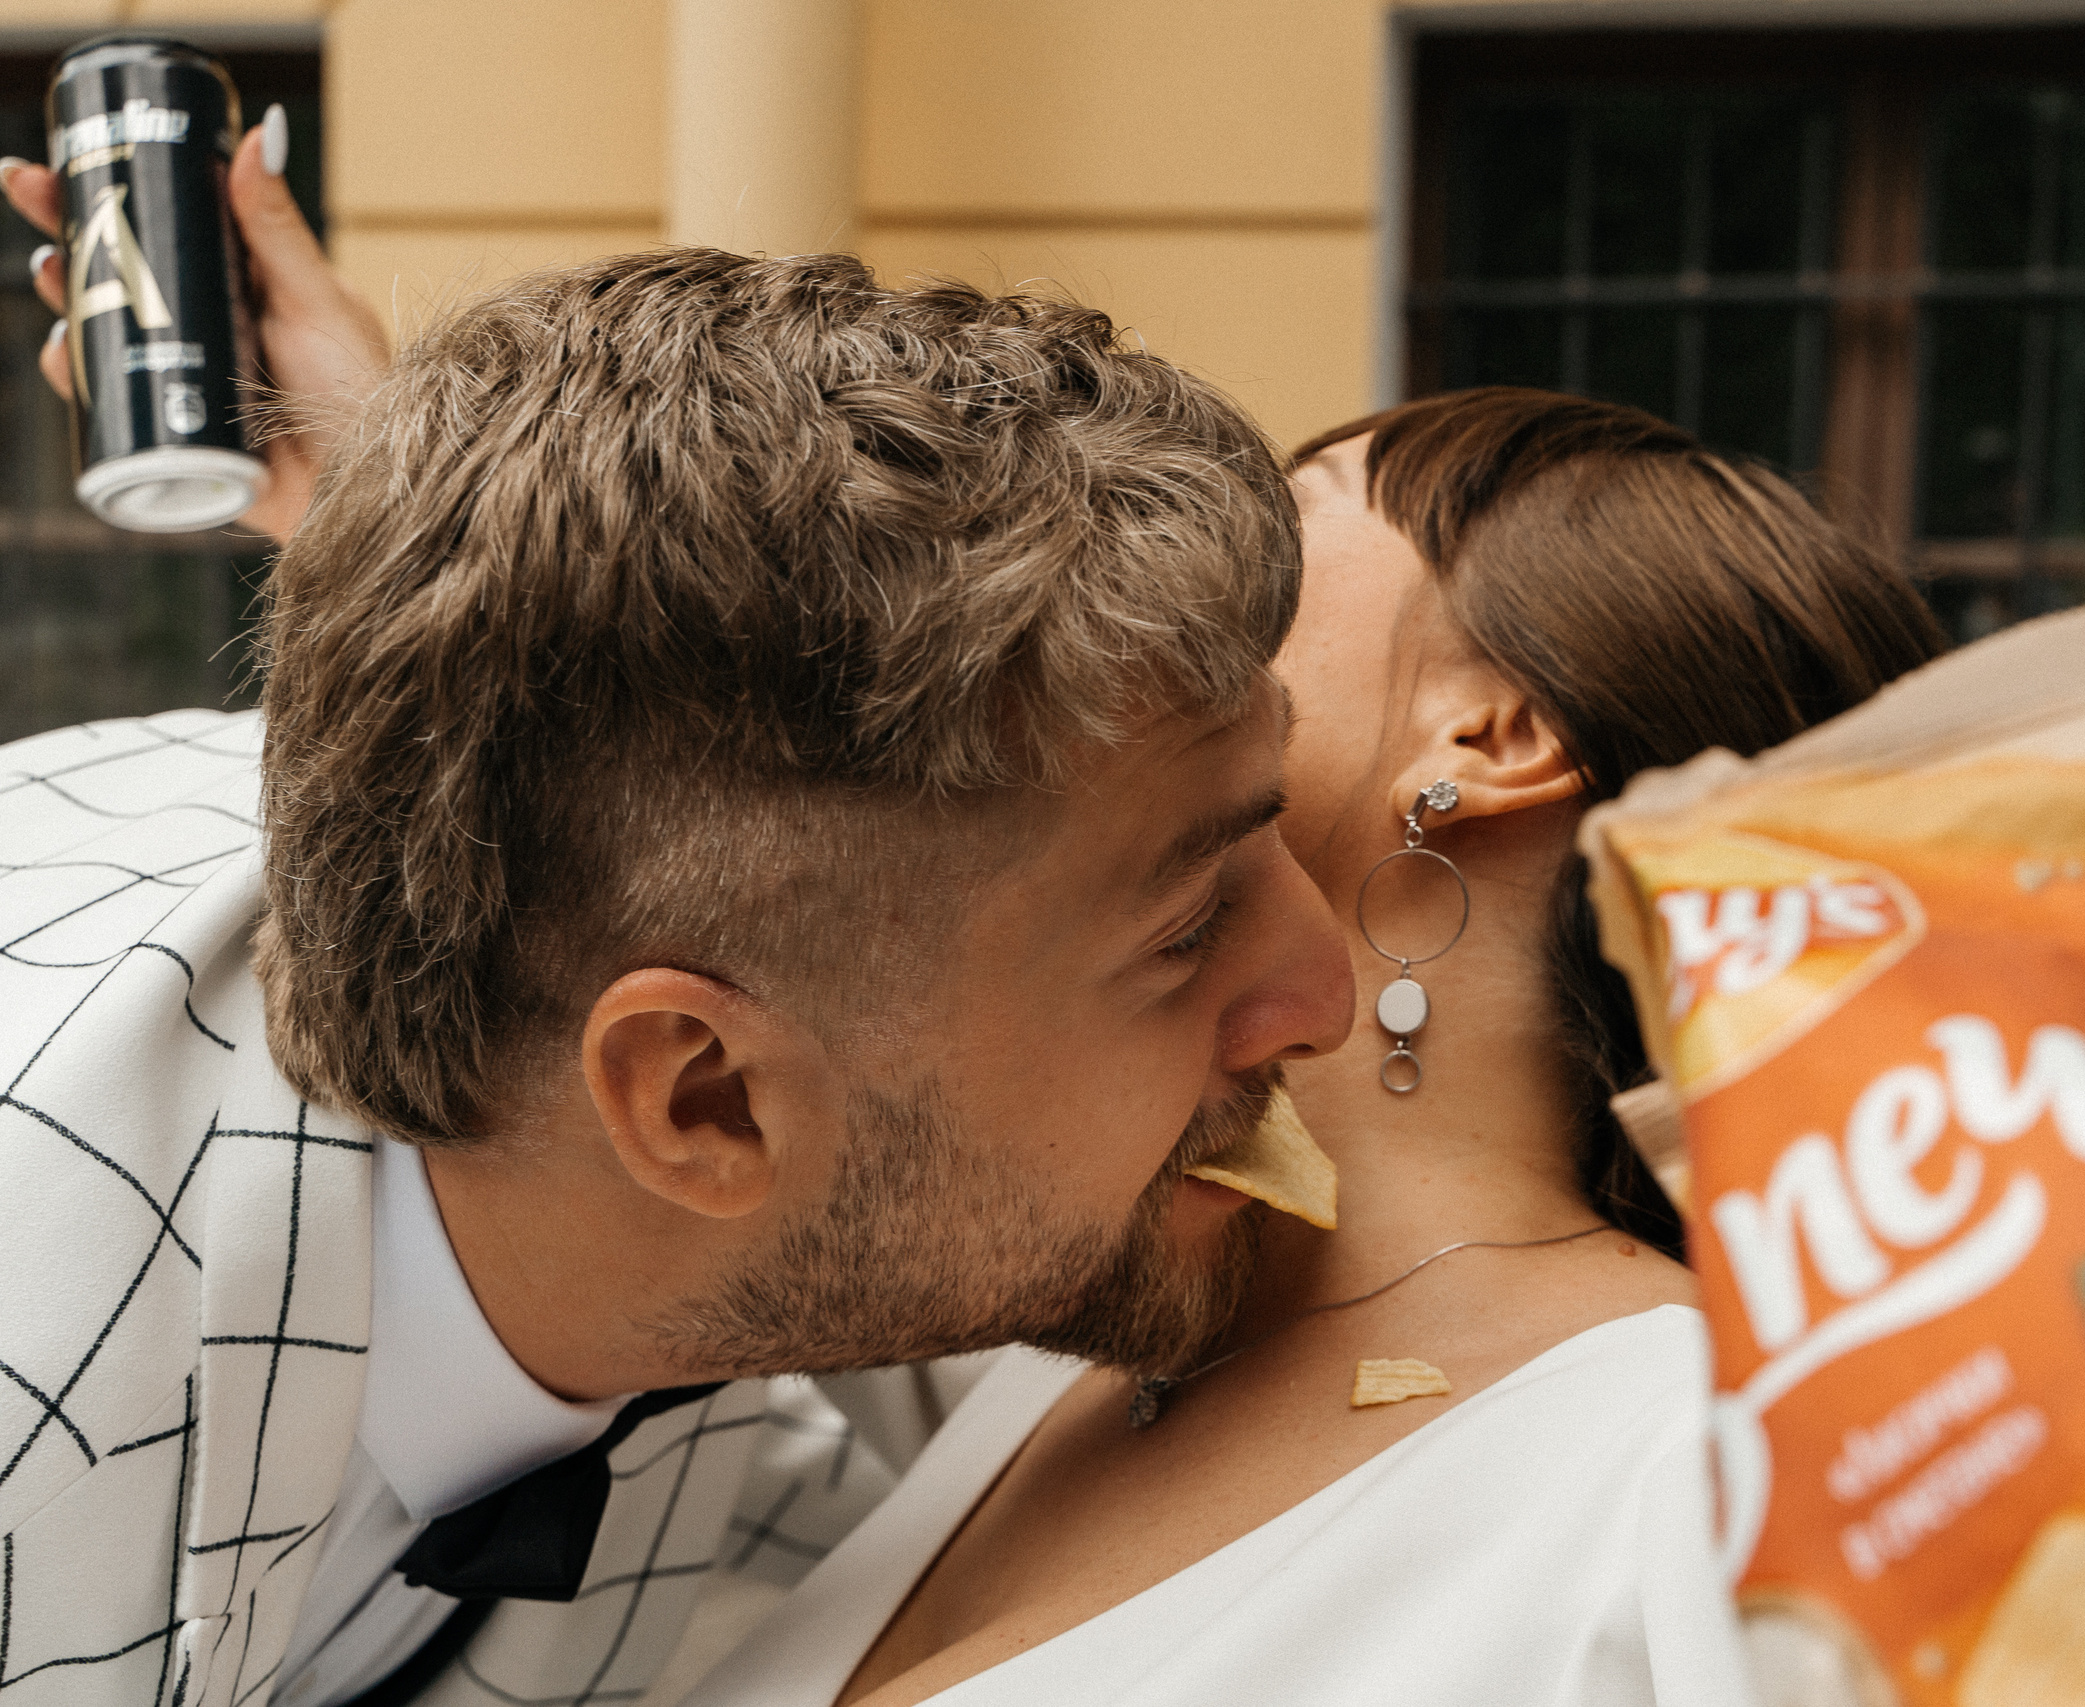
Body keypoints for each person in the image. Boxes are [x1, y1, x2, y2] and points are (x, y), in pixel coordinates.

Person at [0, 133, 1348, 1707]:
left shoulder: (564, 964)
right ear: (701, 1098)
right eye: (1191, 923)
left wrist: (437, 518)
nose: (1322, 986)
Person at [668, 388, 1949, 1707]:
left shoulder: (1722, 1462)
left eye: (1282, 519)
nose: (1175, 549)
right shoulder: (1080, 1320)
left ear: (1490, 734)